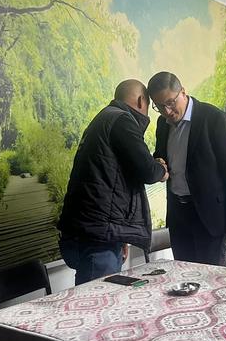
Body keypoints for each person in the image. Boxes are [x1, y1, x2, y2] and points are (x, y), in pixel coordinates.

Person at [57, 79, 168, 285]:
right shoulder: (122, 120)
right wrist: (162, 169)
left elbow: (110, 180)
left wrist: (121, 236)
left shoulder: (102, 119)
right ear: (141, 101)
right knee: (98, 300)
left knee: (91, 296)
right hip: (98, 237)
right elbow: (148, 171)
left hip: (85, 231)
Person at [147, 71, 226, 265]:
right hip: (178, 215)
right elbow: (160, 156)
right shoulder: (162, 124)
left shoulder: (214, 118)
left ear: (183, 92)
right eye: (159, 106)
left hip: (210, 217)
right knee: (184, 273)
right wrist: (158, 163)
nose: (167, 111)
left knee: (211, 276)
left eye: (170, 103)